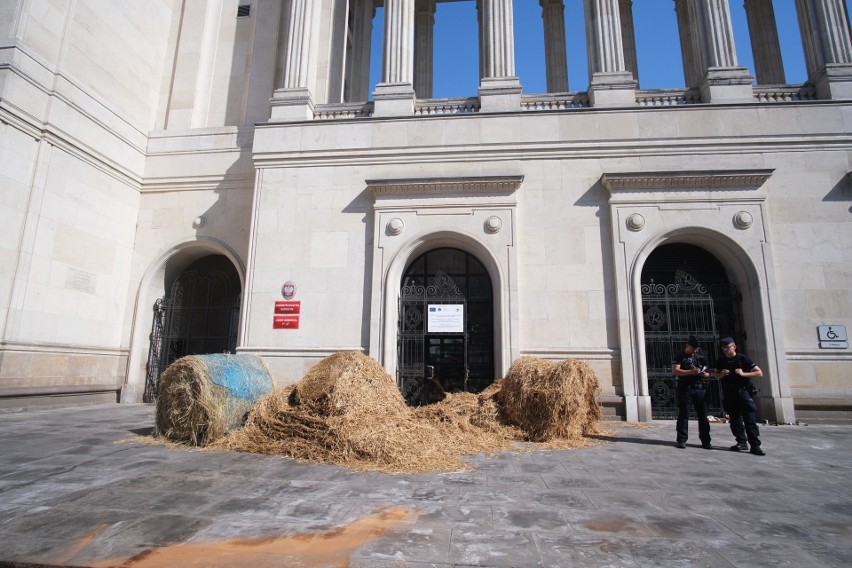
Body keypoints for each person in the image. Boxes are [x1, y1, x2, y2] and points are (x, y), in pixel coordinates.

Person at [713, 337, 765, 456]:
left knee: (749, 419)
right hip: (729, 393)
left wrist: (743, 374)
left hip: (743, 392)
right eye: (724, 348)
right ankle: (741, 442)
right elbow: (716, 375)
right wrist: (721, 374)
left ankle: (755, 445)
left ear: (734, 346)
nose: (726, 350)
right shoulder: (721, 361)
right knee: (735, 420)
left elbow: (759, 372)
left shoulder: (743, 359)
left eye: (728, 347)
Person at [672, 335, 712, 449]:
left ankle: (706, 441)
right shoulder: (680, 356)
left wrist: (703, 374)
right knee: (684, 415)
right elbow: (676, 371)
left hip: (700, 389)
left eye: (696, 349)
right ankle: (681, 440)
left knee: (703, 416)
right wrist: (691, 372)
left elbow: (708, 373)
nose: (694, 351)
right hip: (686, 389)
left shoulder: (700, 358)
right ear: (687, 345)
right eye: (692, 348)